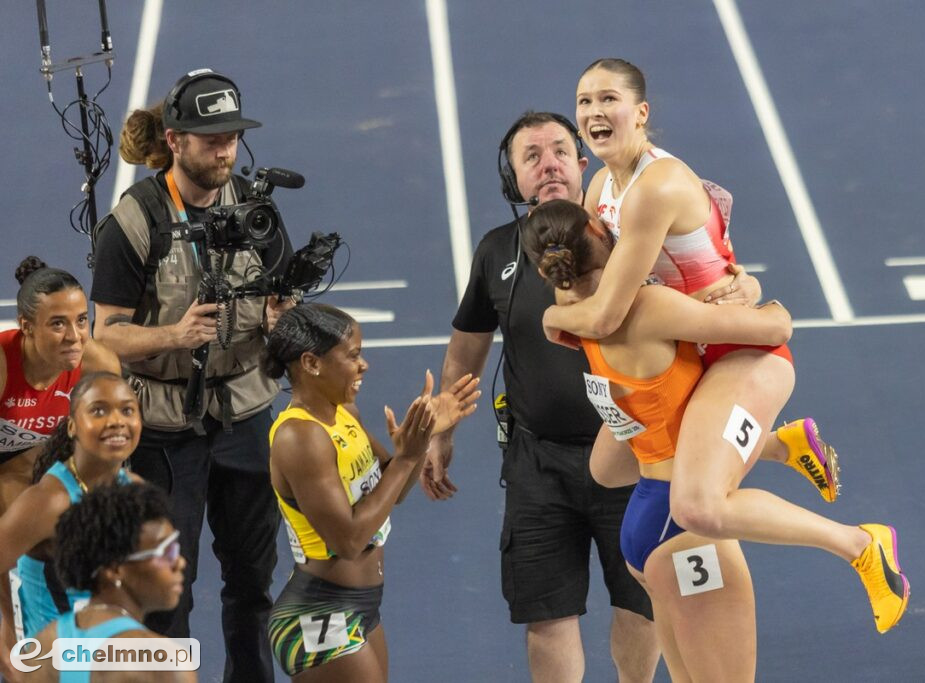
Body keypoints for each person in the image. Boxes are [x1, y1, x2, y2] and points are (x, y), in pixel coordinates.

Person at [422, 111, 834, 683]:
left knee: (642, 604)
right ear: (512, 179)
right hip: (538, 462)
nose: (548, 165)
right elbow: (467, 344)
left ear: (582, 165)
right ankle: (791, 463)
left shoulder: (631, 246)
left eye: (559, 151)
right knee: (548, 613)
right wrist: (442, 429)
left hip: (636, 453)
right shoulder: (498, 253)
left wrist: (744, 286)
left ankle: (819, 502)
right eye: (531, 156)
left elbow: (703, 285)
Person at [541, 58, 908, 633]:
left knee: (698, 506)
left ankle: (861, 544)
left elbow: (607, 311)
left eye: (608, 99)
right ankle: (780, 445)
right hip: (687, 349)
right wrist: (567, 314)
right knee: (609, 468)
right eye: (584, 101)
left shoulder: (654, 187)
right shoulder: (600, 187)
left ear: (641, 112)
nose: (593, 112)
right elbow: (590, 291)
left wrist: (552, 320)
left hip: (739, 352)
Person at [524, 198, 797, 681]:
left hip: (646, 518)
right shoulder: (648, 306)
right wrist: (747, 289)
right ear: (600, 232)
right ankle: (856, 543)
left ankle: (775, 445)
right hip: (684, 525)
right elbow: (775, 328)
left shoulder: (568, 311)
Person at [89, 68, 293, 681]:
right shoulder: (134, 221)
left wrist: (280, 317)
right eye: (212, 139)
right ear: (174, 140)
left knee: (253, 582)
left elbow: (281, 297)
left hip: (246, 416)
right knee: (167, 592)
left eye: (232, 136)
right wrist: (173, 336)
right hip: (163, 431)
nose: (226, 149)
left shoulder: (255, 210)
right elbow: (106, 334)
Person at [262, 304, 478, 681]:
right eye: (353, 356)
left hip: (361, 604)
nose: (364, 365)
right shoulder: (300, 437)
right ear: (311, 363)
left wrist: (420, 441)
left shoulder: (345, 413)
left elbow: (393, 492)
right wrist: (406, 457)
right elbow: (348, 541)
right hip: (318, 612)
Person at [0, 257, 121, 679]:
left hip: (35, 466)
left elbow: (108, 454)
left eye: (82, 320)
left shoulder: (98, 364)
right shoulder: (3, 365)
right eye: (57, 324)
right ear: (26, 326)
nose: (74, 336)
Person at [0, 373, 140, 658]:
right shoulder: (49, 502)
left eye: (127, 410)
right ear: (73, 425)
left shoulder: (134, 489)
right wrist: (8, 629)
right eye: (98, 411)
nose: (117, 421)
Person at [29, 482, 195, 682]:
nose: (180, 562)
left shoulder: (42, 647)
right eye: (166, 552)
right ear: (114, 569)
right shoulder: (166, 664)